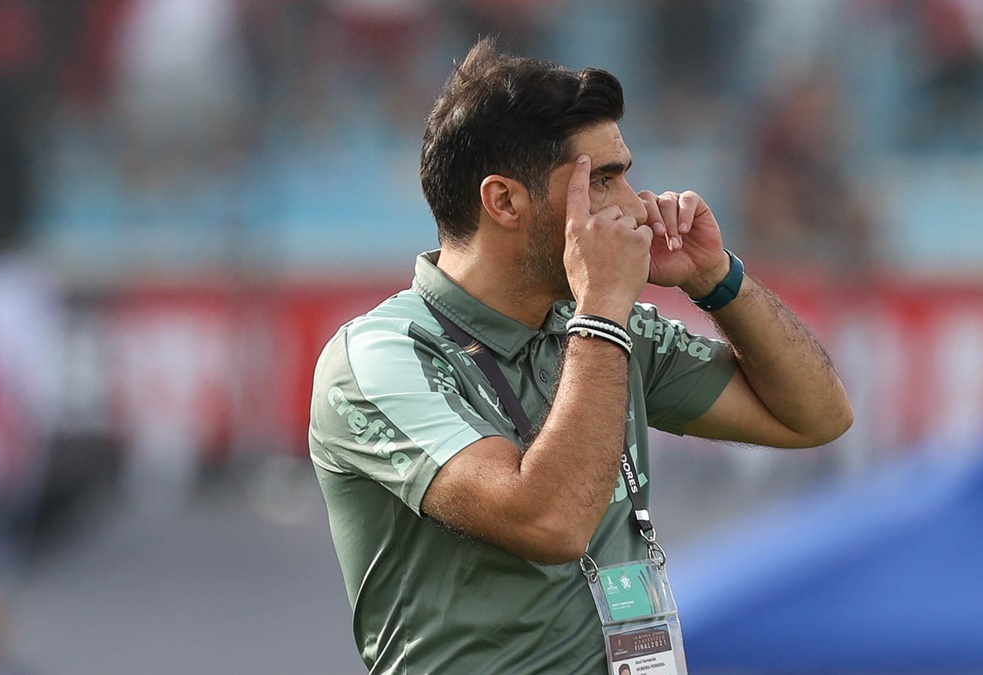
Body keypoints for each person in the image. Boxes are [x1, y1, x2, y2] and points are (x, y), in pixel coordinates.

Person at [309, 38, 853, 673]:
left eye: (625, 172)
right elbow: (550, 524)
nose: (634, 206)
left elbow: (818, 417)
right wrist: (600, 313)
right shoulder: (381, 357)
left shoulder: (598, 325)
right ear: (504, 202)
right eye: (602, 180)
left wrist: (718, 281)